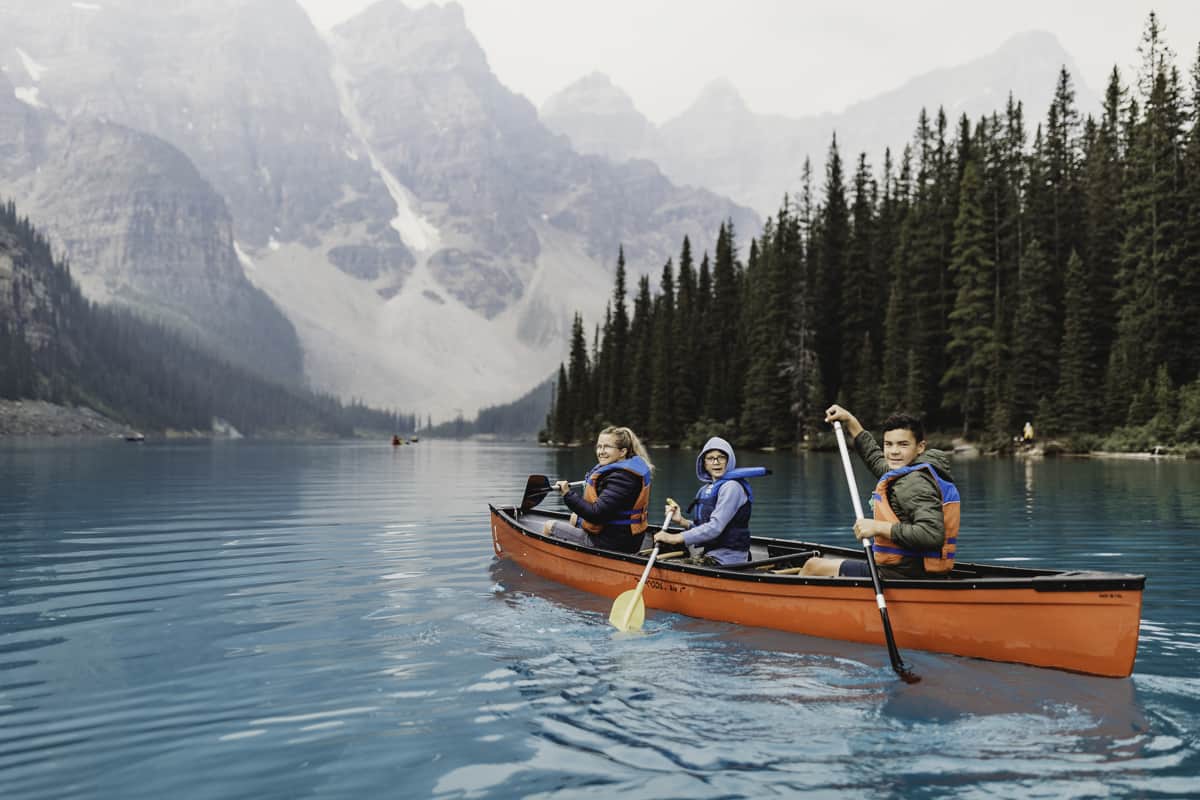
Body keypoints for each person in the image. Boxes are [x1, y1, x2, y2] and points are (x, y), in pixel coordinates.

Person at [802, 405, 960, 579]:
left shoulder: (914, 482)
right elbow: (875, 458)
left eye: (903, 444)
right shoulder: (910, 471)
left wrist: (878, 527)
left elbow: (932, 534)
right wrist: (850, 421)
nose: (894, 451)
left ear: (920, 447)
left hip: (902, 573)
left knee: (812, 566)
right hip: (912, 568)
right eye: (888, 444)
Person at [652, 437, 767, 566]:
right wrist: (682, 521)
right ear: (704, 464)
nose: (716, 462)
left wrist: (675, 538)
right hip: (711, 554)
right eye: (710, 458)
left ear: (729, 461)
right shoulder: (706, 489)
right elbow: (706, 528)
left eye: (721, 457)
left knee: (669, 568)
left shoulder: (732, 487)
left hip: (729, 560)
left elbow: (715, 528)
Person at [541, 426, 654, 554]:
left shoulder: (622, 478)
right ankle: (574, 558)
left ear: (622, 452)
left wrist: (567, 494)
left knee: (549, 526)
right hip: (621, 535)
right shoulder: (622, 472)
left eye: (607, 447)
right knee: (574, 517)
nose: (601, 451)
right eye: (599, 446)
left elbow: (596, 514)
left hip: (614, 543)